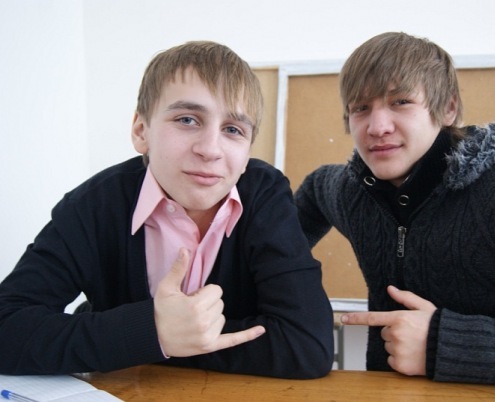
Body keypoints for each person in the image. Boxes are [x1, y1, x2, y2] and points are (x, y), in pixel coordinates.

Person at [0, 40, 334, 379]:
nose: (210, 149)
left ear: (247, 152)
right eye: (187, 119)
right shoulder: (93, 206)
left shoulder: (265, 195)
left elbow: (307, 346)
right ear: (141, 132)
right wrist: (152, 332)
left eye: (233, 130)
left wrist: (155, 341)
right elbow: (6, 326)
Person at [294, 31, 495, 389]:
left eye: (401, 102)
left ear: (448, 109)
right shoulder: (352, 192)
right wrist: (279, 283)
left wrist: (444, 344)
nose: (377, 127)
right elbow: (314, 191)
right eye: (360, 108)